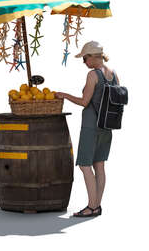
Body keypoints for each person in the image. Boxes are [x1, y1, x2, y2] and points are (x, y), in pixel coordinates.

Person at [55, 41, 120, 217]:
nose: (84, 62)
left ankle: (91, 207)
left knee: (84, 165)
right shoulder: (113, 74)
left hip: (91, 126)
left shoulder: (93, 75)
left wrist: (64, 95)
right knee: (99, 165)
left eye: (85, 58)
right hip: (107, 126)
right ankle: (97, 205)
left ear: (92, 56)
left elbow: (84, 102)